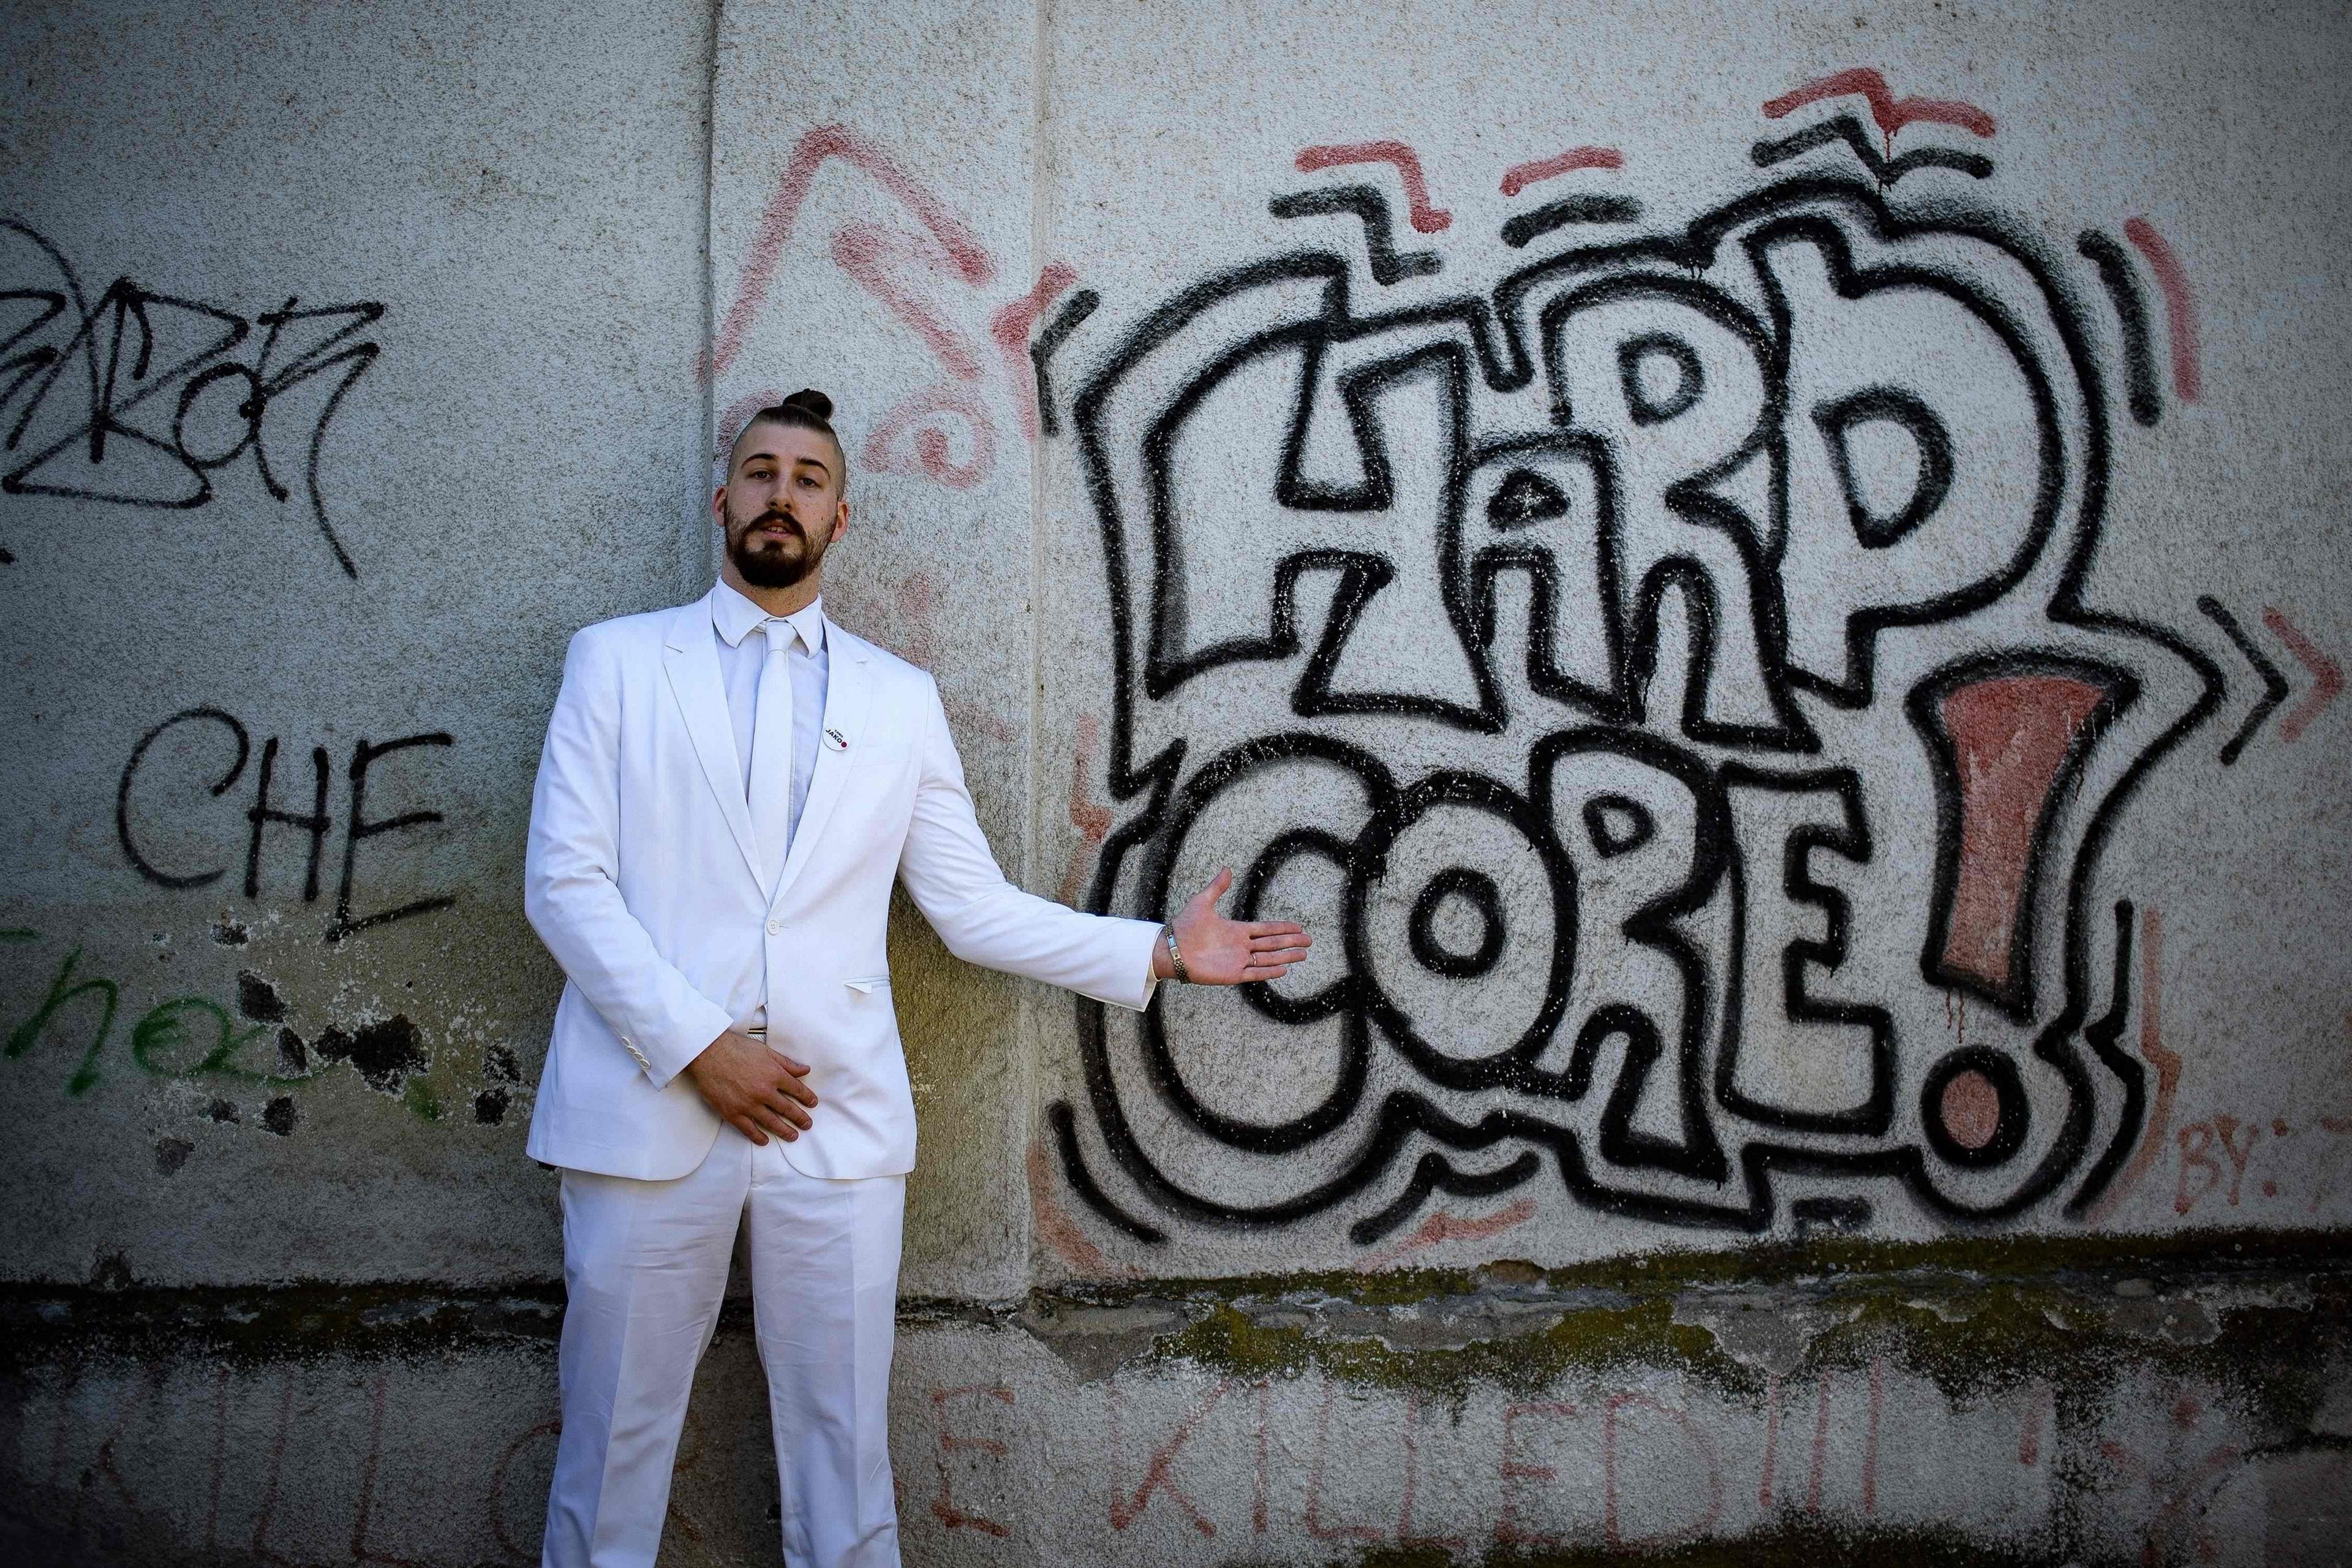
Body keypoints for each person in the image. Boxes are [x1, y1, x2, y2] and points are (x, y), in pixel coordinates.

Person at [520, 388, 1310, 1568]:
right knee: (610, 1454)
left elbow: (969, 907)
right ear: (722, 500)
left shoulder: (898, 698)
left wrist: (1150, 949)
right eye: (760, 472)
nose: (781, 494)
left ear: (842, 518)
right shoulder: (617, 663)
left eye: (808, 479)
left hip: (831, 1126)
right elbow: (565, 886)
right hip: (646, 1110)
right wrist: (703, 1048)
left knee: (844, 1459)